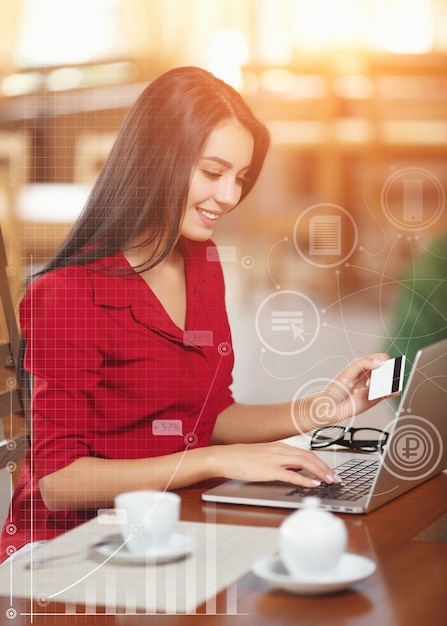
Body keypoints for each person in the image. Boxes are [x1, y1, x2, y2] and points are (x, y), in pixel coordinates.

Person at [1, 67, 389, 560]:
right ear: (155, 160)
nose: (229, 196)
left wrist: (324, 408)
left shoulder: (201, 263)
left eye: (240, 178)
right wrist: (213, 462)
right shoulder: (67, 295)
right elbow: (57, 483)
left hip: (169, 523)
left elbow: (212, 414)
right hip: (72, 550)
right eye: (212, 172)